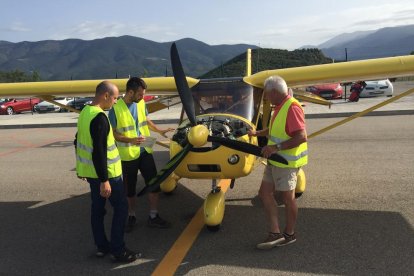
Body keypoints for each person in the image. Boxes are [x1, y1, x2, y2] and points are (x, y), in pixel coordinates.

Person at [75, 81, 141, 262]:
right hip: (108, 175)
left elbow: (78, 141)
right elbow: (99, 151)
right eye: (115, 97)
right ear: (105, 96)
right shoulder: (101, 118)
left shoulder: (85, 113)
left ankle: (101, 247)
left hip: (91, 174)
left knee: (97, 210)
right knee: (121, 209)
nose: (115, 101)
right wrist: (105, 180)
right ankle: (118, 250)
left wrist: (81, 169)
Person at [249, 75, 308, 249]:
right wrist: (257, 133)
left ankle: (289, 234)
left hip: (286, 162)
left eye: (266, 93)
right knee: (264, 193)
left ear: (274, 92)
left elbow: (301, 136)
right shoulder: (279, 107)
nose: (265, 97)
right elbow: (274, 129)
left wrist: (276, 148)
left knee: (287, 198)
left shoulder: (292, 107)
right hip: (275, 161)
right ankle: (275, 233)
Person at [108, 77, 174, 232]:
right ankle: (131, 216)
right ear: (130, 92)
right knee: (129, 190)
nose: (142, 97)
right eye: (140, 94)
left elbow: (145, 120)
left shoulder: (141, 103)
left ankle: (153, 216)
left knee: (154, 184)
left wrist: (159, 130)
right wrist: (131, 139)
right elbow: (113, 134)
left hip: (145, 149)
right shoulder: (115, 109)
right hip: (128, 155)